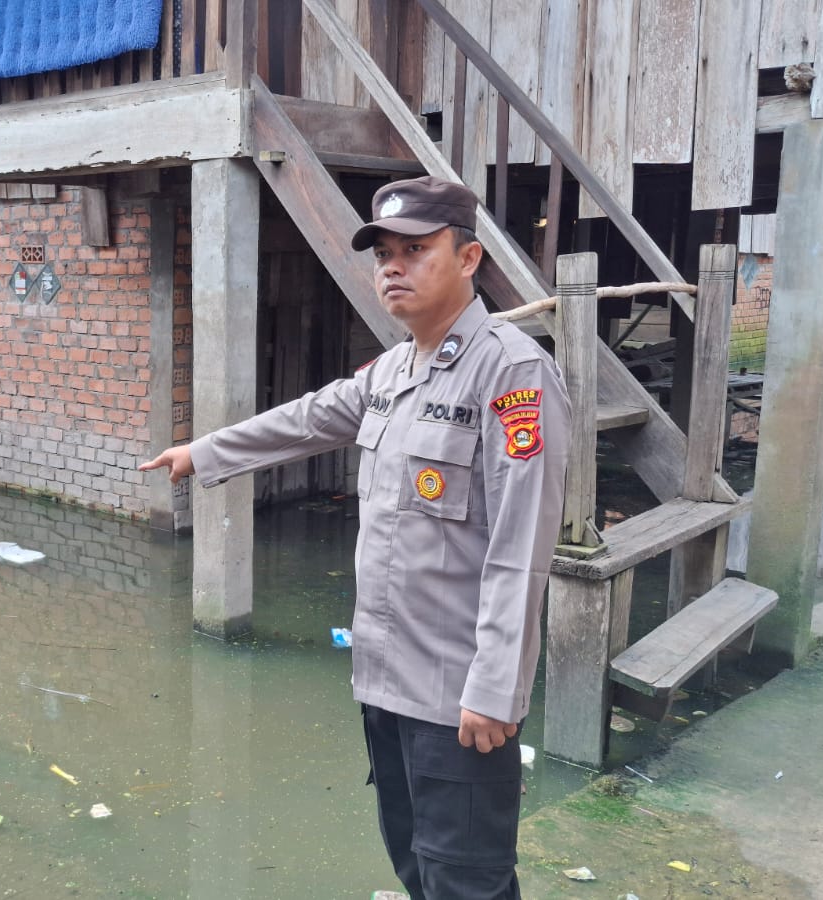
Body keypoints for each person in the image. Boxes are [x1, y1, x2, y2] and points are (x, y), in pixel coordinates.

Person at [139, 176, 568, 899]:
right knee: (413, 864)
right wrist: (204, 453)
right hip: (385, 682)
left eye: (415, 250)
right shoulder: (395, 369)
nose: (393, 267)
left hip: (458, 697)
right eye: (384, 254)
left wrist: (497, 688)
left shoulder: (512, 373)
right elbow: (307, 418)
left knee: (467, 880)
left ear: (467, 259)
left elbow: (521, 546)